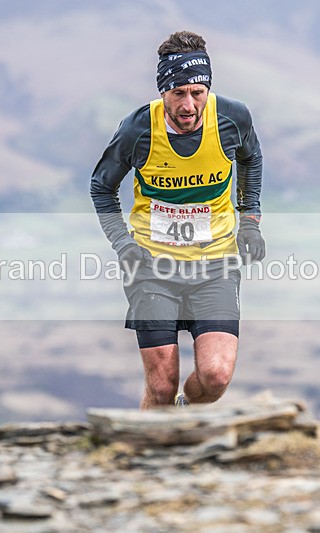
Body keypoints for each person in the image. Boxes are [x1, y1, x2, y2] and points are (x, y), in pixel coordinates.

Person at [90, 30, 265, 409]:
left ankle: (184, 414)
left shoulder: (233, 118)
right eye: (178, 92)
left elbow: (251, 157)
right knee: (162, 387)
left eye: (197, 92)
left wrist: (249, 218)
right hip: (152, 267)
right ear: (163, 91)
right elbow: (101, 188)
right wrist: (124, 245)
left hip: (215, 262)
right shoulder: (138, 129)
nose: (189, 104)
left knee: (215, 377)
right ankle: (144, 461)